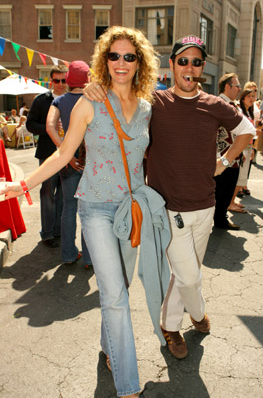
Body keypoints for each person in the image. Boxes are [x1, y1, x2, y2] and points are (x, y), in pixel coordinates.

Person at [1, 26, 171, 398]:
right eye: (114, 56)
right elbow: (63, 154)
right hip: (95, 209)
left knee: (118, 288)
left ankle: (110, 348)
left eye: (130, 56)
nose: (121, 62)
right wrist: (23, 185)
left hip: (131, 211)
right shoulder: (89, 102)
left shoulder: (147, 108)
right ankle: (128, 384)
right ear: (104, 61)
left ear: (140, 62)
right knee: (114, 296)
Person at [83, 35, 256, 359]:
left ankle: (187, 314)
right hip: (165, 209)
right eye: (183, 61)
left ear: (203, 68)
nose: (189, 67)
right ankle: (180, 322)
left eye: (196, 62)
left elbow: (248, 131)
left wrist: (224, 161)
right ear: (172, 65)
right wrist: (92, 87)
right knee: (189, 275)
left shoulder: (216, 105)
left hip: (205, 206)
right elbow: (117, 97)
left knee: (187, 273)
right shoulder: (153, 104)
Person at [46, 61, 92, 267]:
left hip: (68, 163)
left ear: (69, 80)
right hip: (92, 162)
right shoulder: (94, 100)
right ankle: (90, 257)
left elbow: (49, 127)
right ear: (87, 79)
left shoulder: (59, 101)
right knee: (89, 211)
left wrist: (65, 151)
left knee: (69, 208)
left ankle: (68, 255)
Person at [26, 65, 68, 248]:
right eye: (56, 80)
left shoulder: (73, 99)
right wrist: (50, 129)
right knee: (47, 193)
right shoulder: (41, 100)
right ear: (51, 81)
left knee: (64, 194)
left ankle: (58, 230)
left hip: (67, 153)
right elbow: (30, 124)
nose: (60, 84)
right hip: (47, 153)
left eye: (64, 80)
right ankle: (47, 233)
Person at [214, 73, 243, 229]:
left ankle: (221, 218)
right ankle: (218, 219)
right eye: (237, 86)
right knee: (219, 190)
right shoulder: (217, 104)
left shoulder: (234, 105)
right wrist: (218, 156)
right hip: (222, 158)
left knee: (228, 190)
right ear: (227, 86)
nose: (239, 89)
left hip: (234, 158)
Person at [228, 89, 255, 211]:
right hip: (241, 146)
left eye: (253, 96)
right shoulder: (240, 111)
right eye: (249, 96)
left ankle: (232, 201)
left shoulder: (250, 112)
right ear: (243, 98)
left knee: (242, 176)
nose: (252, 98)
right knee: (238, 176)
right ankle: (230, 202)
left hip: (248, 146)